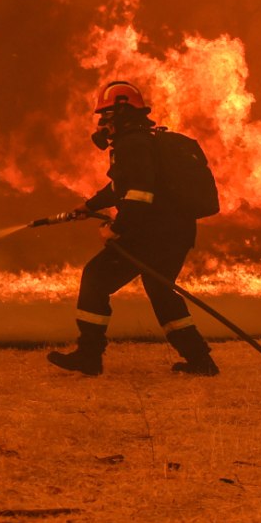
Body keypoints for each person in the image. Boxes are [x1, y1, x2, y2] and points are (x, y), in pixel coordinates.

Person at [46, 80, 219, 377]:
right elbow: (120, 186)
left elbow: (139, 195)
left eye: (106, 116)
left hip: (152, 234)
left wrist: (118, 229)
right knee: (161, 291)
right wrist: (89, 206)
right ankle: (200, 360)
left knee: (96, 278)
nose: (102, 124)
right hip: (175, 232)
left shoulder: (132, 144)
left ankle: (89, 355)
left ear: (122, 111)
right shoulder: (144, 140)